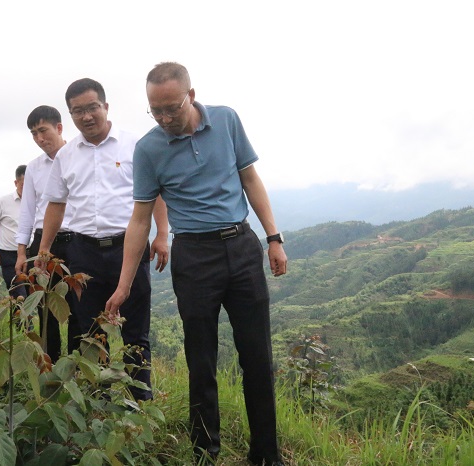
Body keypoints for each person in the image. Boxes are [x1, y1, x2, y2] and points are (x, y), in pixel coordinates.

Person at [105, 62, 288, 465]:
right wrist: (123, 284)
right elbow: (139, 219)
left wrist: (273, 237)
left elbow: (250, 178)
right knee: (200, 359)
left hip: (241, 246)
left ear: (191, 94)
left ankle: (266, 455)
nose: (165, 118)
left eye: (172, 107)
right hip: (193, 258)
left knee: (257, 356)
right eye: (156, 111)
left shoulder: (226, 120)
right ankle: (206, 453)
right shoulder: (149, 149)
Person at [36, 78, 169, 401]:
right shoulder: (66, 155)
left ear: (106, 107)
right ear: (70, 115)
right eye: (77, 111)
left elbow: (157, 193)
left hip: (129, 250)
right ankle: (98, 403)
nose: (86, 116)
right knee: (89, 332)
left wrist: (163, 234)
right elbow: (56, 202)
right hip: (83, 253)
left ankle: (141, 403)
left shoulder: (134, 145)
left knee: (135, 331)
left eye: (92, 107)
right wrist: (43, 247)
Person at [14, 105, 79, 363]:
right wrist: (22, 251)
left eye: (43, 130)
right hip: (42, 243)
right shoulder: (34, 168)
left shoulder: (78, 156)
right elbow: (28, 211)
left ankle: (76, 366)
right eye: (33, 133)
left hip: (76, 240)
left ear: (59, 128)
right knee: (44, 307)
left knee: (78, 307)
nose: (39, 139)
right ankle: (49, 365)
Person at [0, 165, 27, 300]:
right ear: (16, 183)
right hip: (9, 255)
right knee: (19, 296)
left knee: (34, 296)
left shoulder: (39, 202)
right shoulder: (2, 202)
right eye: (23, 184)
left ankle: (29, 321)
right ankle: (21, 321)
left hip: (32, 254)